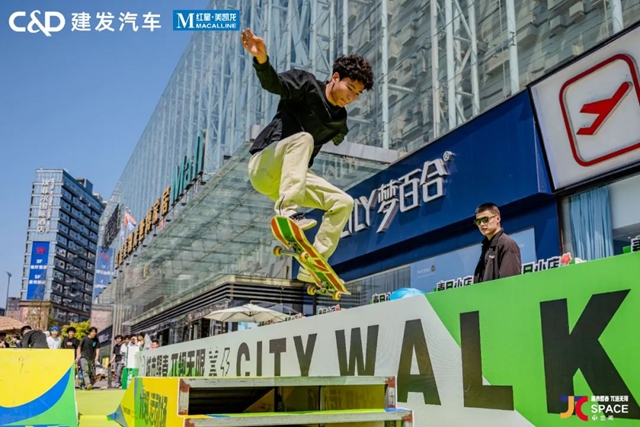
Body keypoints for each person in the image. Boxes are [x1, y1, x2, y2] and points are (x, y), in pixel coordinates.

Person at [240, 29, 374, 282]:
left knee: (343, 202)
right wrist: (261, 60)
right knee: (304, 138)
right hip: (264, 165)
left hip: (289, 179)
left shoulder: (339, 120)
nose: (352, 97)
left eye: (357, 93)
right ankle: (287, 213)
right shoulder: (305, 83)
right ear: (335, 77)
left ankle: (314, 264)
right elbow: (274, 84)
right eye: (350, 88)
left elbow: (331, 138)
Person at [472, 203, 522, 283]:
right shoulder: (487, 246)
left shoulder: (507, 244)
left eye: (485, 220)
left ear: (498, 218)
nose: (481, 224)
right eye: (478, 221)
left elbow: (509, 283)